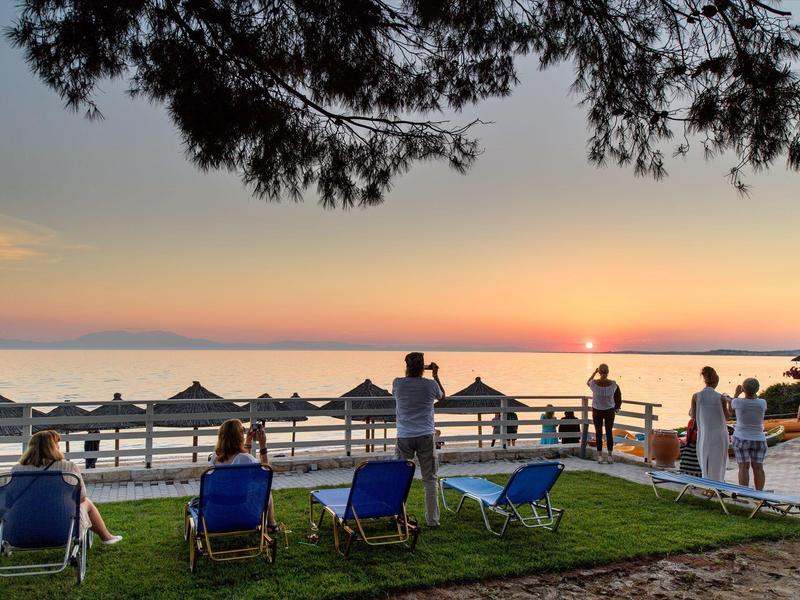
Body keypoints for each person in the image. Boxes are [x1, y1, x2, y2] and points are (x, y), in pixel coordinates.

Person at [12, 430, 122, 544]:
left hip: (24, 526)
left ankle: (107, 537)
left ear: (31, 447)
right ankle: (106, 537)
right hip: (62, 525)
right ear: (53, 447)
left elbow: (10, 500)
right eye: (57, 444)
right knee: (87, 502)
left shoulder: (16, 470)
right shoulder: (68, 467)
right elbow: (81, 497)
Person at [392, 352, 445, 528]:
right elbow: (442, 396)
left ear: (406, 366)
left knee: (400, 478)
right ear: (423, 367)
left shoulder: (398, 383)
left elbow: (397, 395)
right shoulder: (430, 385)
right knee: (430, 479)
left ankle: (398, 515)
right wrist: (435, 375)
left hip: (405, 436)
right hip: (425, 436)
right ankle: (432, 520)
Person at [207, 418, 277, 530]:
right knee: (266, 490)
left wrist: (248, 441)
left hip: (215, 514)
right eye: (242, 431)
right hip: (241, 513)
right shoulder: (245, 459)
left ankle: (271, 525)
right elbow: (265, 475)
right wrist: (263, 446)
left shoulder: (214, 457)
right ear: (238, 436)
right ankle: (271, 525)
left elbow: (242, 459)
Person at [690, 366, 730, 484]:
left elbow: (693, 415)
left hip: (704, 433)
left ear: (705, 380)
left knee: (704, 460)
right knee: (717, 462)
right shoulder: (720, 397)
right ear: (716, 382)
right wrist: (728, 403)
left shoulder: (696, 396)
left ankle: (707, 486)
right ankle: (717, 485)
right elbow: (727, 417)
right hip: (719, 433)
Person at [726, 378, 767, 490]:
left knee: (743, 467)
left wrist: (736, 393)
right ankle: (759, 494)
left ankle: (744, 493)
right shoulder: (762, 403)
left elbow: (732, 405)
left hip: (741, 438)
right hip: (759, 439)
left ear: (743, 389)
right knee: (758, 467)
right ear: (757, 389)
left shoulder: (738, 402)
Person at [587, 364, 622, 463]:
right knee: (609, 432)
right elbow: (618, 395)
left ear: (599, 372)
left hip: (597, 411)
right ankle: (610, 456)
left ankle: (599, 456)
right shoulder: (613, 384)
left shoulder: (594, 384)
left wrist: (594, 373)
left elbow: (587, 382)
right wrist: (617, 407)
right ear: (608, 372)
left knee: (598, 433)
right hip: (609, 411)